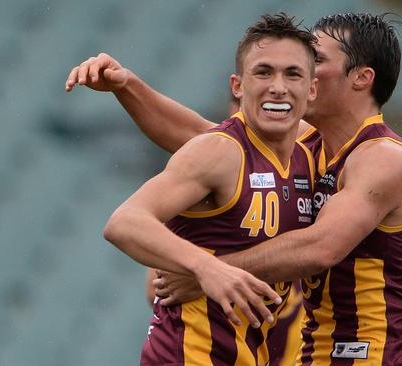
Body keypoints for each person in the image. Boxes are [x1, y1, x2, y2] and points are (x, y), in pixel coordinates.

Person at [66, 12, 402, 365]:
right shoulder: (308, 144)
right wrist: (127, 86)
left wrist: (208, 272)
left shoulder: (380, 156)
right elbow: (204, 139)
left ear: (361, 78)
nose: (296, 79)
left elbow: (320, 247)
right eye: (266, 72)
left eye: (313, 62)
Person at [101, 14, 320, 365]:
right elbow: (123, 222)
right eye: (263, 72)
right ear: (237, 85)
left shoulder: (312, 152)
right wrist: (207, 268)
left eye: (292, 73)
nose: (278, 86)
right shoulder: (219, 152)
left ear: (312, 89)